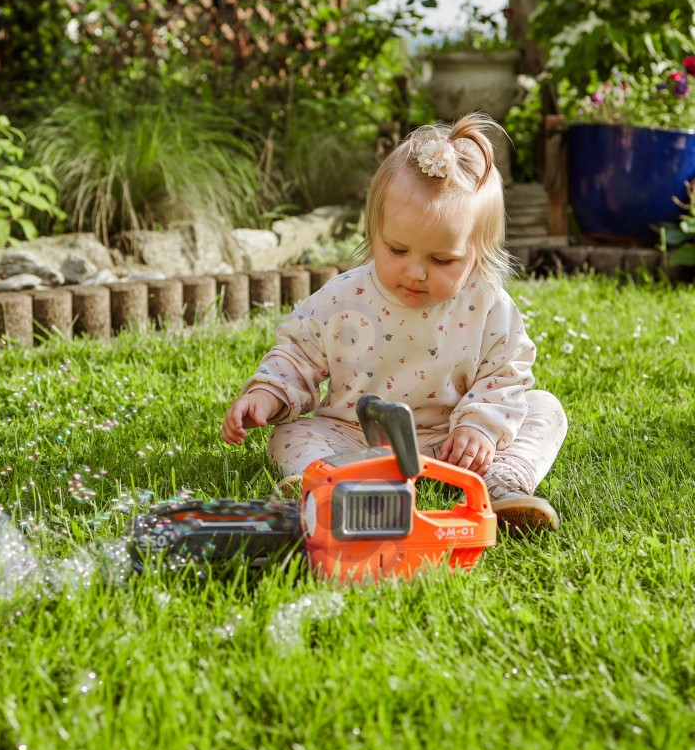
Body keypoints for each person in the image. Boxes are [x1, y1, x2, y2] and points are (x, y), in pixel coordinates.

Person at [221, 112, 568, 533]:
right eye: (397, 250)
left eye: (441, 260)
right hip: (358, 439)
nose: (415, 273)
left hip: (453, 442)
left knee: (544, 409)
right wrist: (268, 394)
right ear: (374, 232)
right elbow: (298, 354)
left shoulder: (488, 304)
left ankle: (502, 484)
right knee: (290, 435)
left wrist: (481, 427)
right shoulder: (343, 298)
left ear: (478, 254)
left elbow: (506, 373)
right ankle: (331, 484)